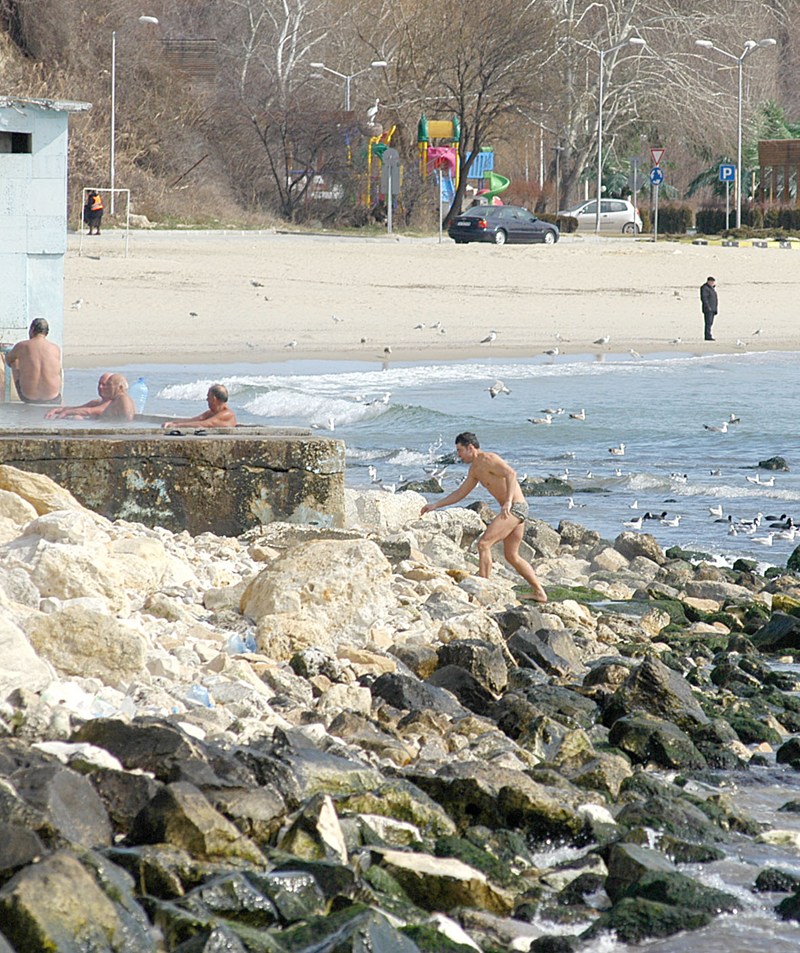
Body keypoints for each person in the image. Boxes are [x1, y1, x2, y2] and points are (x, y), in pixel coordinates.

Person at [420, 431, 547, 603]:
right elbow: (461, 493)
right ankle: (539, 592)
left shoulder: (489, 459)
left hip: (515, 508)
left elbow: (511, 474)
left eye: (460, 450)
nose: (458, 455)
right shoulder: (474, 469)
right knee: (512, 556)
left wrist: (508, 502)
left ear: (470, 448)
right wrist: (435, 505)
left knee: (484, 544)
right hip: (513, 510)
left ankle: (483, 587)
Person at [4, 317, 62, 404]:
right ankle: (61, 402)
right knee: (58, 370)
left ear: (32, 329)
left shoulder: (22, 346)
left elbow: (8, 360)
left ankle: (8, 395)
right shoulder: (55, 348)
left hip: (28, 397)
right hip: (53, 398)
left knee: (14, 361)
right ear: (46, 332)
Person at [162, 384, 237, 430]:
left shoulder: (227, 414)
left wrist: (177, 426)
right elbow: (195, 420)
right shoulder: (211, 413)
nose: (207, 399)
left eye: (208, 397)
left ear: (214, 399)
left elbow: (205, 424)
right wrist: (172, 423)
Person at [45, 373, 112, 419]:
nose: (100, 387)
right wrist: (56, 410)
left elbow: (89, 411)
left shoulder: (111, 404)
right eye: (99, 384)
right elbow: (78, 408)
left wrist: (66, 413)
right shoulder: (96, 402)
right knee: (76, 416)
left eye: (104, 385)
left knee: (77, 417)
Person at [700, 276, 718, 341]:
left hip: (713, 308)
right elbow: (704, 298)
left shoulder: (711, 288)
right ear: (709, 281)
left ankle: (709, 335)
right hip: (708, 309)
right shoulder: (705, 288)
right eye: (712, 282)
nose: (713, 283)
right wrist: (708, 307)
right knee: (708, 322)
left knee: (710, 322)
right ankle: (707, 336)